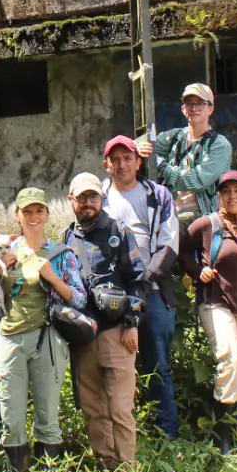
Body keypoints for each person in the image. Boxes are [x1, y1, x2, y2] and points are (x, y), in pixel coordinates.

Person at [0, 187, 84, 472]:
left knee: (47, 415)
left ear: (47, 214)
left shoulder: (59, 254)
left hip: (47, 340)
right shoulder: (5, 250)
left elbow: (79, 299)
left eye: (38, 211)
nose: (33, 217)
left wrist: (53, 277)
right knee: (11, 417)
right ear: (17, 215)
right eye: (26, 211)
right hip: (9, 338)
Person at [99, 136, 181, 439]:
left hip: (154, 291)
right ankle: (122, 435)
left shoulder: (157, 195)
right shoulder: (99, 196)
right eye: (115, 159)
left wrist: (143, 280)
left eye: (127, 158)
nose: (121, 165)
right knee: (114, 368)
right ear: (107, 163)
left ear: (138, 161)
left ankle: (166, 431)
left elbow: (169, 243)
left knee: (158, 363)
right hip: (112, 297)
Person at [65, 172, 146, 467]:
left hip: (117, 332)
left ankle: (128, 468)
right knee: (92, 406)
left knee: (121, 407)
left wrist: (131, 323)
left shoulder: (119, 231)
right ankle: (106, 465)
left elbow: (138, 279)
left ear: (102, 199)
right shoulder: (67, 238)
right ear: (71, 200)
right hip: (83, 336)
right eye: (82, 197)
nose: (88, 203)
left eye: (93, 196)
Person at [183, 172, 237, 445]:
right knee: (230, 360)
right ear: (219, 196)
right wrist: (199, 270)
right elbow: (181, 250)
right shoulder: (208, 224)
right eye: (227, 191)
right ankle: (222, 436)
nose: (232, 196)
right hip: (216, 301)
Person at [136, 83, 232, 227]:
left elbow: (196, 181)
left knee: (168, 229)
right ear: (183, 109)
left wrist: (161, 165)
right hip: (169, 210)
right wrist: (139, 146)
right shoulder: (174, 137)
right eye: (189, 103)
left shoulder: (219, 145)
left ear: (210, 109)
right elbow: (139, 143)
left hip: (203, 216)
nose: (194, 108)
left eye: (200, 103)